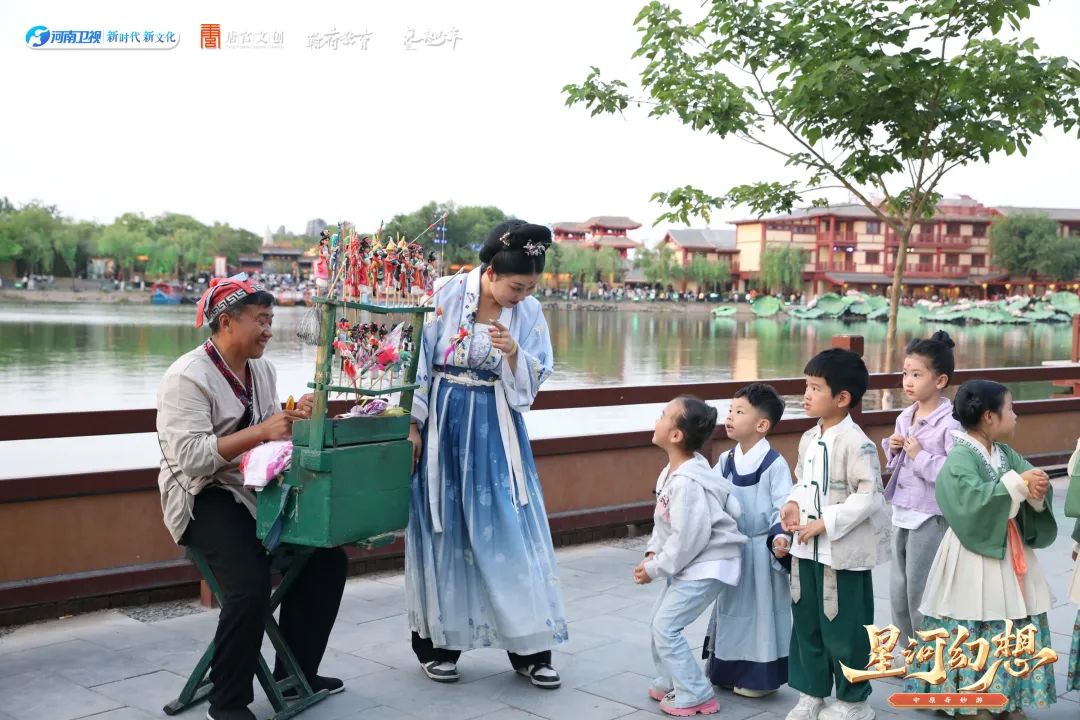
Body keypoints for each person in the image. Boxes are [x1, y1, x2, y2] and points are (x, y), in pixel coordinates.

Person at [156, 275, 347, 720]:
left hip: (252, 488)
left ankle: (295, 673)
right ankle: (228, 702)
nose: (268, 330)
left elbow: (266, 432)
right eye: (261, 320)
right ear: (226, 322)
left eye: (270, 320)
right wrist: (263, 430)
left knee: (327, 559)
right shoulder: (186, 377)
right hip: (201, 495)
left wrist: (288, 417)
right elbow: (192, 459)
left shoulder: (263, 370)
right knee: (248, 586)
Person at [405, 220, 567, 688]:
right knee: (444, 529)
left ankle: (531, 649)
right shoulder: (443, 294)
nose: (522, 296)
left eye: (530, 288)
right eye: (516, 286)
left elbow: (539, 371)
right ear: (490, 272)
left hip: (497, 427)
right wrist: (412, 425)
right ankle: (439, 646)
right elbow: (414, 360)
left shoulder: (529, 313)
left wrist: (514, 353)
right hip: (442, 424)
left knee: (509, 532)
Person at [907, 380, 1055, 719]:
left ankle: (1007, 698)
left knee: (1011, 619)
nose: (1015, 416)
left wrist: (1036, 489)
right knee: (971, 617)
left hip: (1007, 545)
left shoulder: (1004, 453)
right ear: (989, 416)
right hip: (969, 552)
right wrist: (1019, 483)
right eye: (1010, 409)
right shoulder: (960, 457)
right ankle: (970, 701)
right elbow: (971, 501)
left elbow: (1024, 478)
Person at [780, 349, 890, 720]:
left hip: (842, 553)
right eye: (806, 386)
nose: (806, 395)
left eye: (815, 388)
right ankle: (811, 693)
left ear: (842, 398)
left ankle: (854, 701)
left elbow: (870, 495)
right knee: (807, 624)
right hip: (806, 549)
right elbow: (801, 480)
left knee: (847, 631)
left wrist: (826, 521)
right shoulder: (809, 437)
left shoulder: (857, 442)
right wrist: (792, 504)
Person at [636, 396, 747, 717]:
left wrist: (656, 568)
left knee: (666, 626)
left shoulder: (687, 482)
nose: (656, 420)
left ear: (675, 435)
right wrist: (652, 552)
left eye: (663, 415)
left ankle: (695, 692)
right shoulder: (673, 472)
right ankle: (673, 679)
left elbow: (688, 538)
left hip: (709, 563)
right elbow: (664, 524)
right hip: (693, 561)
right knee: (659, 621)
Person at [704, 383, 793, 698]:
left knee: (760, 614)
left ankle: (759, 678)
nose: (729, 416)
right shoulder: (726, 459)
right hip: (733, 547)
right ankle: (727, 671)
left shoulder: (774, 464)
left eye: (739, 412)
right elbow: (711, 494)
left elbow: (784, 507)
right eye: (730, 410)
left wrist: (780, 538)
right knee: (730, 609)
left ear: (762, 424)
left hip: (760, 551)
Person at [882, 330, 959, 644]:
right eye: (905, 373)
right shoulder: (906, 416)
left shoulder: (950, 422)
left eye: (916, 374)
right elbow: (896, 464)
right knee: (898, 591)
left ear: (940, 380)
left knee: (921, 591)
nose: (908, 381)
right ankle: (908, 650)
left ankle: (930, 654)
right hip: (901, 511)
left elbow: (955, 473)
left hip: (930, 516)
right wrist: (893, 448)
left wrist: (920, 456)